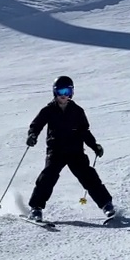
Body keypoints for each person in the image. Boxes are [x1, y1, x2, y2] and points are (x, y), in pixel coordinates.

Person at [24, 76, 115, 221]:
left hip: (75, 151)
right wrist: (32, 136)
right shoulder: (48, 110)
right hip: (56, 151)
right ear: (55, 92)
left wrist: (94, 146)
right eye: (60, 91)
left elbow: (85, 131)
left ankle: (106, 205)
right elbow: (36, 125)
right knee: (47, 177)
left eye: (67, 91)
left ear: (72, 92)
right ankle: (36, 208)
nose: (63, 95)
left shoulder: (77, 111)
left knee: (88, 176)